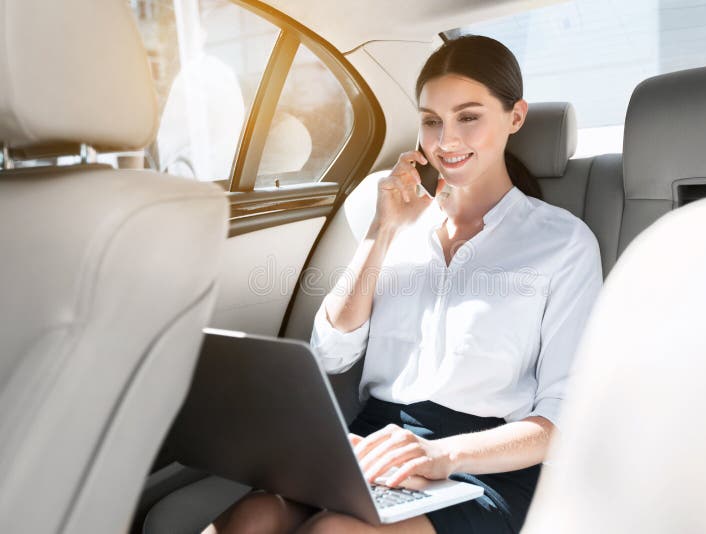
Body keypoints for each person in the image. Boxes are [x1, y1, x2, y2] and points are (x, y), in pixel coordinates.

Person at [203, 34, 603, 534]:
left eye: (469, 117)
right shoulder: (398, 218)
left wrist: (440, 453)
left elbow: (563, 420)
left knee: (331, 533)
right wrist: (383, 228)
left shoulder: (563, 243)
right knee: (251, 518)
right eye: (432, 121)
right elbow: (330, 355)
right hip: (374, 442)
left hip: (484, 464)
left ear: (515, 117)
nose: (446, 141)